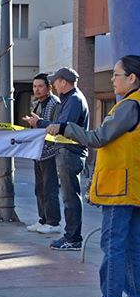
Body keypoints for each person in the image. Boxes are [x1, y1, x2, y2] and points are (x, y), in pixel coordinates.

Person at [46, 55, 140, 297]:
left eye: (117, 75)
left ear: (132, 78)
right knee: (132, 244)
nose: (112, 80)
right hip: (131, 186)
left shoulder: (127, 107)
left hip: (119, 188)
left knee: (114, 244)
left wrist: (66, 128)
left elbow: (98, 138)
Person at [29, 67, 89, 251]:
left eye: (54, 81)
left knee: (70, 198)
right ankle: (70, 236)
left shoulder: (73, 100)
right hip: (65, 151)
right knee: (67, 197)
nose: (53, 84)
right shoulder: (69, 99)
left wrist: (39, 123)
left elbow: (61, 126)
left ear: (64, 82)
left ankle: (73, 238)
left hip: (70, 152)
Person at [22, 73, 62, 234]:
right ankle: (43, 219)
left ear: (49, 87)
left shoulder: (55, 103)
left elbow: (55, 127)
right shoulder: (36, 103)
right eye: (34, 86)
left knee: (49, 187)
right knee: (39, 188)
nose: (36, 89)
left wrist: (37, 123)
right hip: (38, 151)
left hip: (50, 152)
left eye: (40, 86)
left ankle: (53, 222)